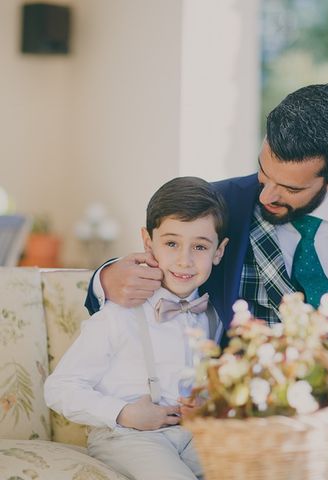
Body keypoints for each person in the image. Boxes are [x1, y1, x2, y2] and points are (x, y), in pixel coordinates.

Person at [85, 83, 328, 479]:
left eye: (290, 187)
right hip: (261, 420)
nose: (267, 193)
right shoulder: (221, 204)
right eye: (265, 172)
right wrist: (106, 277)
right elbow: (164, 257)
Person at [46, 176, 229, 480]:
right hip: (128, 436)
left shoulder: (215, 316)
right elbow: (59, 388)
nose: (184, 261)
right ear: (148, 243)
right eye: (171, 243)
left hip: (193, 435)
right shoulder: (118, 314)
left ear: (219, 252)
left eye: (199, 246)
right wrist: (123, 413)